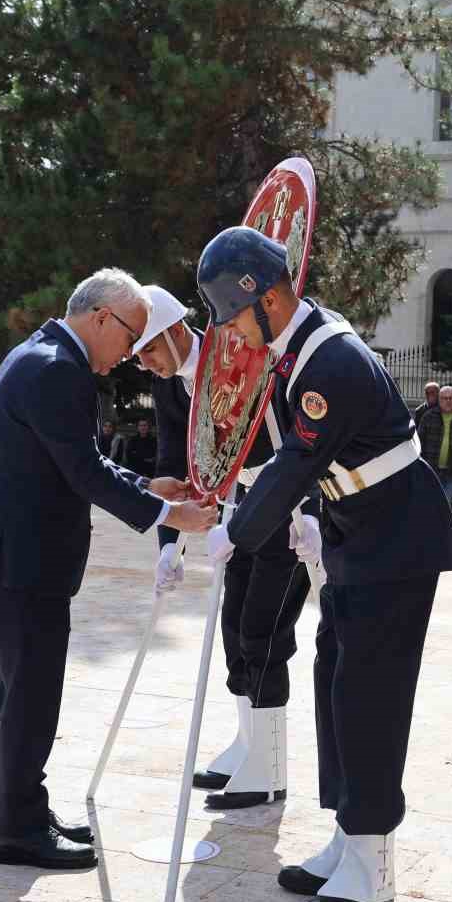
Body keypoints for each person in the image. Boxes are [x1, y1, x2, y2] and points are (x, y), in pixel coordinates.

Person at [198, 225, 452, 902]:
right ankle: (349, 838)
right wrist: (306, 517)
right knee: (336, 678)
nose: (233, 334)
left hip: (396, 540)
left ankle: (371, 870)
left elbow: (294, 466)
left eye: (234, 317)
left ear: (267, 299)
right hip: (358, 533)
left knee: (370, 697)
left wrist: (238, 530)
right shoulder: (299, 350)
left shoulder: (328, 363)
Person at [0, 268, 217, 870]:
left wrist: (146, 484)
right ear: (102, 318)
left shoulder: (43, 356)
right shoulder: (55, 370)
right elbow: (85, 474)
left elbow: (79, 460)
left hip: (11, 557)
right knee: (31, 696)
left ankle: (18, 811)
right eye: (127, 337)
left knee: (18, 691)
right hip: (23, 561)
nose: (128, 354)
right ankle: (19, 830)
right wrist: (167, 513)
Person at [132, 284, 318, 810]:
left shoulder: (236, 350)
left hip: (286, 507)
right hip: (237, 515)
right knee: (234, 628)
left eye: (148, 350)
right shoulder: (171, 388)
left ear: (171, 333)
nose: (145, 364)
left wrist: (305, 509)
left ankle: (270, 767)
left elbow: (292, 434)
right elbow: (175, 462)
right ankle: (249, 743)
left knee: (265, 629)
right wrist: (170, 543)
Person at [416, 385, 452, 502]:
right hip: (431, 468)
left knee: (446, 504)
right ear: (439, 399)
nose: (448, 401)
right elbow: (418, 442)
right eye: (444, 398)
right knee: (430, 502)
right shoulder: (428, 416)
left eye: (451, 398)